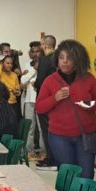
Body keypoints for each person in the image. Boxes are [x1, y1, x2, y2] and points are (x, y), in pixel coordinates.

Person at [34, 39, 96, 179]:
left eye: (69, 58)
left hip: (85, 135)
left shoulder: (88, 79)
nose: (64, 61)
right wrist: (55, 98)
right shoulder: (50, 80)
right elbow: (40, 107)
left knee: (86, 175)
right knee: (68, 175)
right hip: (59, 136)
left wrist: (90, 104)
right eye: (61, 58)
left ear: (78, 59)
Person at [35, 35, 58, 171]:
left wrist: (35, 84)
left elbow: (41, 80)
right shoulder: (59, 58)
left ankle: (51, 159)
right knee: (55, 130)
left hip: (44, 99)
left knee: (46, 130)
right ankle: (56, 157)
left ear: (44, 45)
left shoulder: (44, 60)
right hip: (56, 99)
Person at [22, 40, 41, 157]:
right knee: (30, 127)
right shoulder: (27, 64)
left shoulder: (46, 63)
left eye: (37, 51)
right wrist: (34, 69)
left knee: (41, 128)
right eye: (33, 51)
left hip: (41, 99)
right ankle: (29, 151)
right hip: (29, 100)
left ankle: (43, 152)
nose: (35, 54)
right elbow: (23, 81)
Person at [0, 53, 22, 118]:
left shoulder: (14, 75)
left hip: (13, 104)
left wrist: (16, 92)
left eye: (11, 63)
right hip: (1, 104)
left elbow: (18, 92)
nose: (10, 65)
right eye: (7, 63)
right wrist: (0, 65)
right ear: (2, 64)